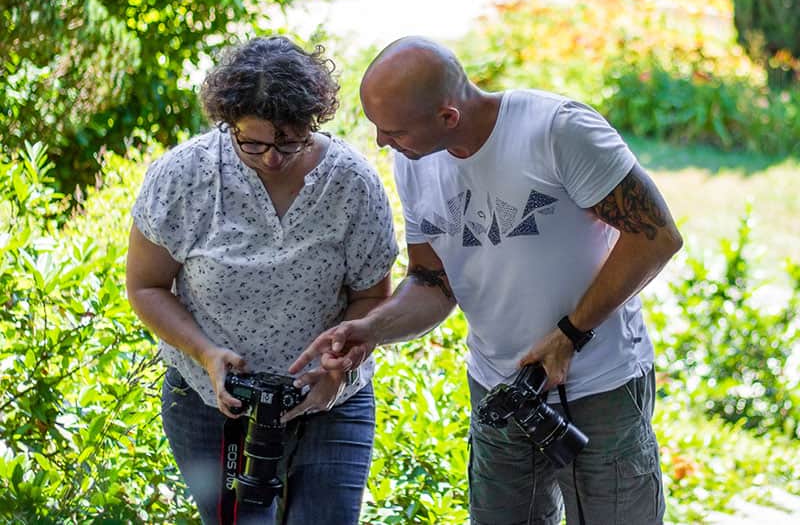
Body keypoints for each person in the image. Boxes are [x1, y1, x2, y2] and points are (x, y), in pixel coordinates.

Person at [290, 36, 683, 525]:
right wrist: (371, 329)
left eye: (392, 131)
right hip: (499, 391)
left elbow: (656, 238)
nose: (380, 143)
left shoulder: (557, 131)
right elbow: (434, 282)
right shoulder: (415, 161)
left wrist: (570, 334)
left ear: (447, 117)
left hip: (599, 388)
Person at [126, 35, 398, 524]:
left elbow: (372, 298)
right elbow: (145, 287)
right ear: (227, 122)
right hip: (211, 405)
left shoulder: (352, 184)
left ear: (313, 122)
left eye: (289, 141)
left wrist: (335, 370)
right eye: (251, 143)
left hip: (330, 402)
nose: (272, 158)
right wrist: (204, 353)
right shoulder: (184, 177)